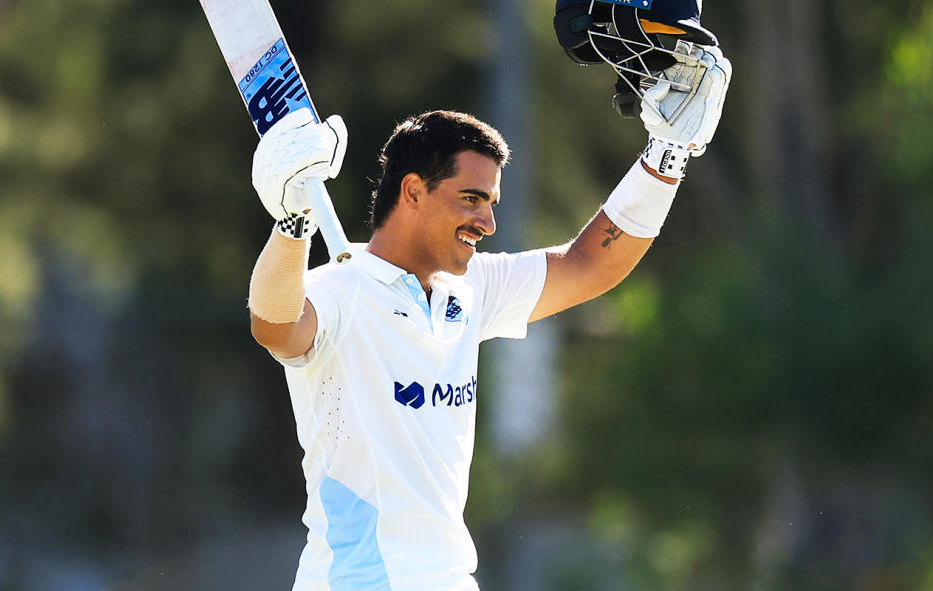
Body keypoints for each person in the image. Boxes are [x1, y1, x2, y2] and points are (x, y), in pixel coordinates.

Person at [245, 14, 731, 591]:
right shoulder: (337, 289)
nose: (488, 221)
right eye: (471, 198)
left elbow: (589, 264)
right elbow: (275, 327)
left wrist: (668, 154)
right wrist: (293, 222)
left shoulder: (471, 289)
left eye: (492, 202)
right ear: (413, 191)